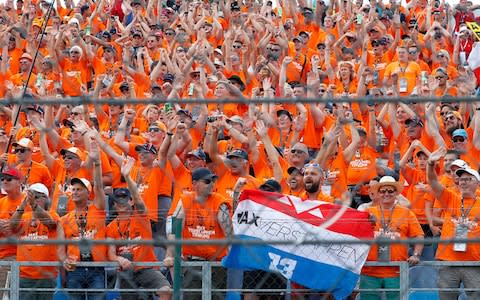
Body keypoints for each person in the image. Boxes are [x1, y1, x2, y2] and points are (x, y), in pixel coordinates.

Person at [107, 157, 171, 300]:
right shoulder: (111, 227)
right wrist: (118, 258)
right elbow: (111, 252)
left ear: (131, 201)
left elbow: (139, 199)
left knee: (166, 290)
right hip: (126, 270)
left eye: (125, 199)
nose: (122, 203)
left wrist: (128, 177)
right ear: (114, 205)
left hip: (146, 267)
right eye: (118, 200)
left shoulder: (140, 215)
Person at [164, 167, 232, 300]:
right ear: (194, 184)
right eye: (207, 181)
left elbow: (229, 233)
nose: (211, 184)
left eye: (213, 181)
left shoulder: (219, 201)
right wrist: (170, 254)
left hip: (216, 262)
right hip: (193, 261)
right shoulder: (185, 200)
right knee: (192, 296)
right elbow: (174, 229)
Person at [427, 147, 480, 299]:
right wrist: (430, 164)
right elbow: (433, 181)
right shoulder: (452, 198)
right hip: (448, 260)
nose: (462, 182)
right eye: (461, 179)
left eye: (468, 179)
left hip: (474, 262)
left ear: (477, 183)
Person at [57, 140, 107, 300]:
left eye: (79, 189)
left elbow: (99, 186)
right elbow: (60, 248)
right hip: (75, 268)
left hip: (97, 267)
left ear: (88, 193)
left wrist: (98, 163)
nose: (75, 192)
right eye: (73, 189)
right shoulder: (64, 219)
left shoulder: (97, 210)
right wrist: (64, 261)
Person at [360, 176, 424, 300]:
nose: (386, 194)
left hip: (397, 271)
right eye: (383, 191)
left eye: (390, 191)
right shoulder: (368, 212)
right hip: (370, 271)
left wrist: (416, 254)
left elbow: (419, 235)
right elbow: (356, 235)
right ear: (378, 193)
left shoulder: (406, 212)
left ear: (396, 193)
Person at [10, 183, 59, 300]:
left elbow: (50, 222)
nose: (33, 200)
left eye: (36, 197)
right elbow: (12, 226)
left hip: (46, 275)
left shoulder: (53, 214)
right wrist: (22, 205)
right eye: (31, 197)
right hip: (24, 274)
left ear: (46, 200)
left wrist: (34, 206)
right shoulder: (24, 216)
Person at [0, 168, 24, 298]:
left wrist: (11, 226)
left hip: (21, 255)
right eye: (2, 178)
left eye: (9, 179)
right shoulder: (1, 202)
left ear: (19, 182)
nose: (4, 181)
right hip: (2, 256)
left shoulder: (26, 202)